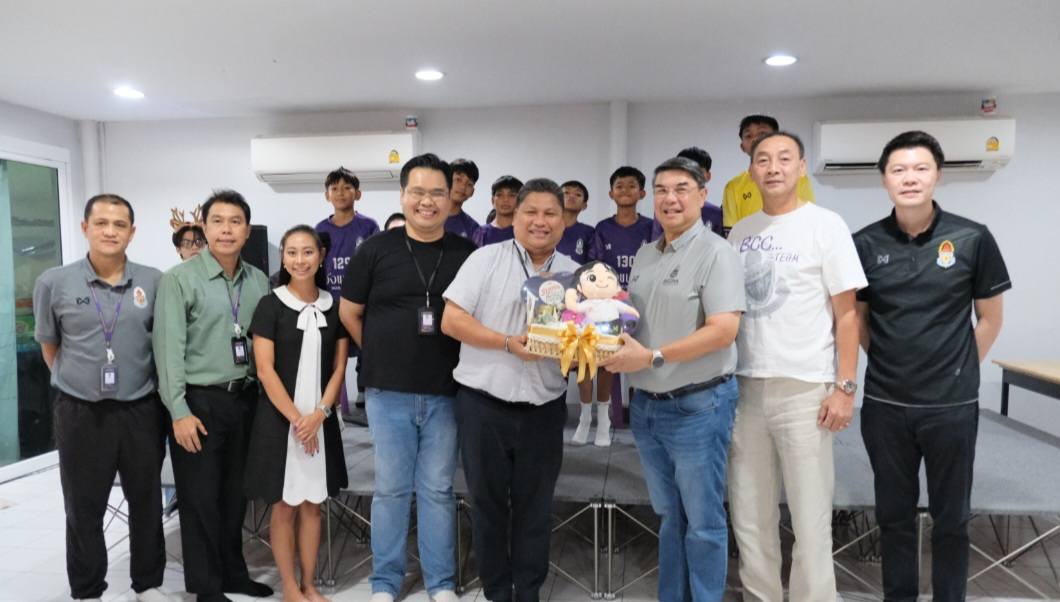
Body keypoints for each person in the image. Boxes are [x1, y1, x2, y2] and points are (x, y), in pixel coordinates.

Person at [854, 130, 1010, 602]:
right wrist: (890, 361)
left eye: (920, 168)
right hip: (885, 405)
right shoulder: (864, 243)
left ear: (937, 175)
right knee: (893, 517)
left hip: (951, 408)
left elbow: (990, 319)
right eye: (899, 170)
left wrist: (957, 368)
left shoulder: (972, 237)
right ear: (884, 179)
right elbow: (858, 320)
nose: (910, 178)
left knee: (952, 519)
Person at [726, 132, 866, 602]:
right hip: (746, 388)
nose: (773, 168)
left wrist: (845, 387)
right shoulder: (740, 232)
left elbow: (848, 315)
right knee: (750, 515)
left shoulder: (826, 225)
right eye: (763, 160)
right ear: (751, 171)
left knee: (810, 518)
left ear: (801, 167)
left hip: (806, 388)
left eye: (784, 158)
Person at [601, 157, 744, 602]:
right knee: (669, 517)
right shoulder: (647, 253)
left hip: (698, 407)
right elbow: (636, 322)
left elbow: (724, 330)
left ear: (703, 195)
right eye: (662, 189)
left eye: (682, 188)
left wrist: (653, 356)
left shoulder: (717, 253)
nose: (670, 198)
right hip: (647, 407)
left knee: (702, 521)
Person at [340, 153, 475, 602]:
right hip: (388, 392)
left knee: (438, 490)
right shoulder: (375, 249)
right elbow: (350, 312)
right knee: (391, 490)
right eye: (417, 191)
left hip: (447, 391)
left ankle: (441, 582)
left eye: (437, 192)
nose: (427, 201)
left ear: (450, 198)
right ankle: (385, 582)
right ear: (403, 195)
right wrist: (381, 351)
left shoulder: (466, 254)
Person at [442, 178, 578, 602]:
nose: (540, 221)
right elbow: (451, 321)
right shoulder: (485, 259)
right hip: (484, 405)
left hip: (544, 407)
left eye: (550, 213)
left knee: (536, 507)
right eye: (530, 212)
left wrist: (584, 349)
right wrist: (506, 342)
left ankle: (529, 590)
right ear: (514, 216)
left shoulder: (576, 274)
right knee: (487, 505)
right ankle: (497, 590)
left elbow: (583, 340)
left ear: (563, 221)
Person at [33, 194, 174, 602]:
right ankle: (88, 589)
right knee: (83, 505)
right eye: (101, 223)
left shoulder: (153, 281)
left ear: (132, 231)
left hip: (141, 408)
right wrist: (78, 382)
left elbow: (160, 342)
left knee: (146, 500)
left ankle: (147, 584)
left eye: (119, 224)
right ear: (85, 228)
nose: (110, 231)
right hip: (80, 411)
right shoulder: (54, 282)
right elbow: (49, 346)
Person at [154, 189, 272, 602]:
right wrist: (178, 411)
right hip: (198, 402)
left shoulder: (257, 280)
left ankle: (233, 575)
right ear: (203, 227)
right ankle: (206, 587)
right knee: (200, 499)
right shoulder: (179, 279)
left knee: (235, 496)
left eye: (235, 222)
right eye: (217, 221)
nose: (226, 230)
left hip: (245, 399)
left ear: (247, 230)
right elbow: (168, 351)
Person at [244, 225, 349, 602]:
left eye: (307, 252)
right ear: (283, 258)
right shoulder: (270, 305)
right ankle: (289, 586)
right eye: (292, 252)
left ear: (320, 257)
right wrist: (297, 419)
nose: (299, 260)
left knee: (313, 505)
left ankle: (309, 584)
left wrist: (319, 414)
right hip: (280, 422)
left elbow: (339, 368)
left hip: (319, 422)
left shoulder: (334, 306)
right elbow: (265, 370)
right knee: (284, 506)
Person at [586, 166, 654, 433]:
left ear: (642, 193)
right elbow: (594, 267)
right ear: (611, 193)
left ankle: (639, 418)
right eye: (619, 186)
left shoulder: (651, 227)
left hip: (642, 303)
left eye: (631, 185)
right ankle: (612, 418)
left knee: (640, 359)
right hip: (609, 306)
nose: (625, 190)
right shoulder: (603, 228)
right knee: (610, 360)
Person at [315, 167, 378, 416]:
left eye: (347, 188)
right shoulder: (320, 229)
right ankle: (336, 410)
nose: (340, 193)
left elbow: (376, 266)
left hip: (362, 307)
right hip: (330, 305)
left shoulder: (368, 226)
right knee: (334, 359)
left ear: (358, 193)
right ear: (327, 195)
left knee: (369, 352)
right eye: (335, 188)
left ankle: (369, 399)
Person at [721, 115, 815, 235]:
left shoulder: (796, 177)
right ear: (742, 147)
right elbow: (732, 232)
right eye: (748, 136)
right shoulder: (733, 186)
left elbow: (807, 217)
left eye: (762, 133)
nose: (755, 139)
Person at [650, 147, 723, 240]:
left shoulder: (716, 214)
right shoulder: (666, 209)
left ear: (708, 176)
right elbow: (657, 242)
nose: (691, 177)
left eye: (698, 172)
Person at [473, 175, 522, 246]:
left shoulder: (525, 233)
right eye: (500, 195)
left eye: (512, 195)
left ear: (520, 200)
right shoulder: (481, 234)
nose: (505, 199)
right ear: (493, 200)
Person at [557, 180, 594, 264]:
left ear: (584, 205)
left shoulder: (589, 232)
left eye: (578, 194)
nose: (571, 196)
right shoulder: (545, 227)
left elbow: (592, 264)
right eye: (566, 193)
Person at [444, 158, 481, 240]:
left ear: (472, 192)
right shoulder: (427, 215)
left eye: (469, 184)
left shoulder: (473, 228)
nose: (463, 187)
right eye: (458, 180)